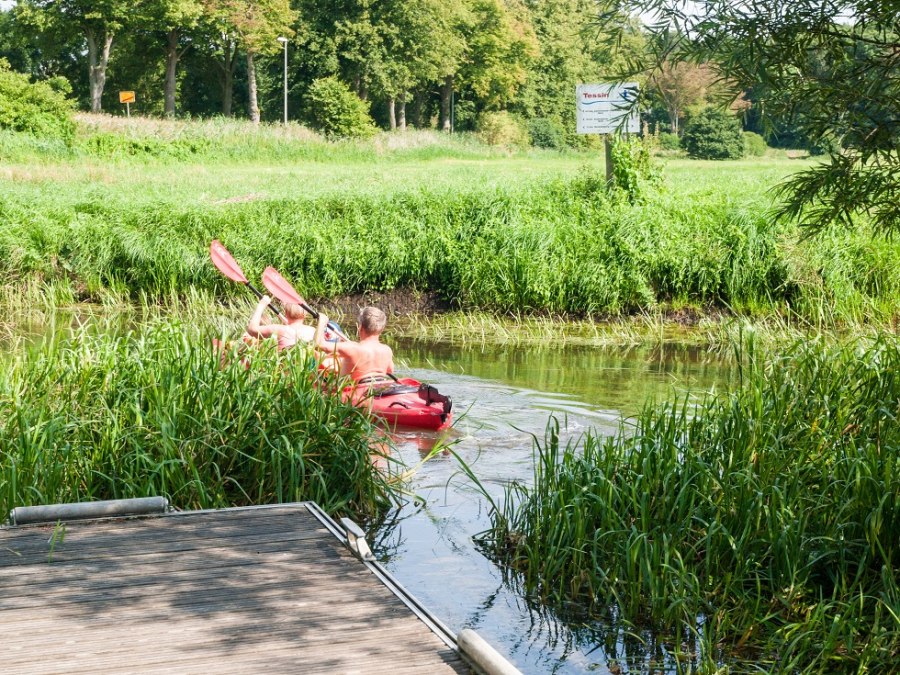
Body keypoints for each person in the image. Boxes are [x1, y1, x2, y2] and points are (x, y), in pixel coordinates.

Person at [314, 306, 393, 383]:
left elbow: (318, 345)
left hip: (355, 389)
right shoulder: (387, 350)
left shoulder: (351, 347)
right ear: (381, 329)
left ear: (360, 327)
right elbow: (390, 370)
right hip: (380, 387)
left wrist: (322, 321)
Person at [245, 295, 315, 350]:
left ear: (286, 313)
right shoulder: (313, 331)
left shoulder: (280, 330)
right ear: (305, 314)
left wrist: (261, 305)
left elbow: (252, 330)